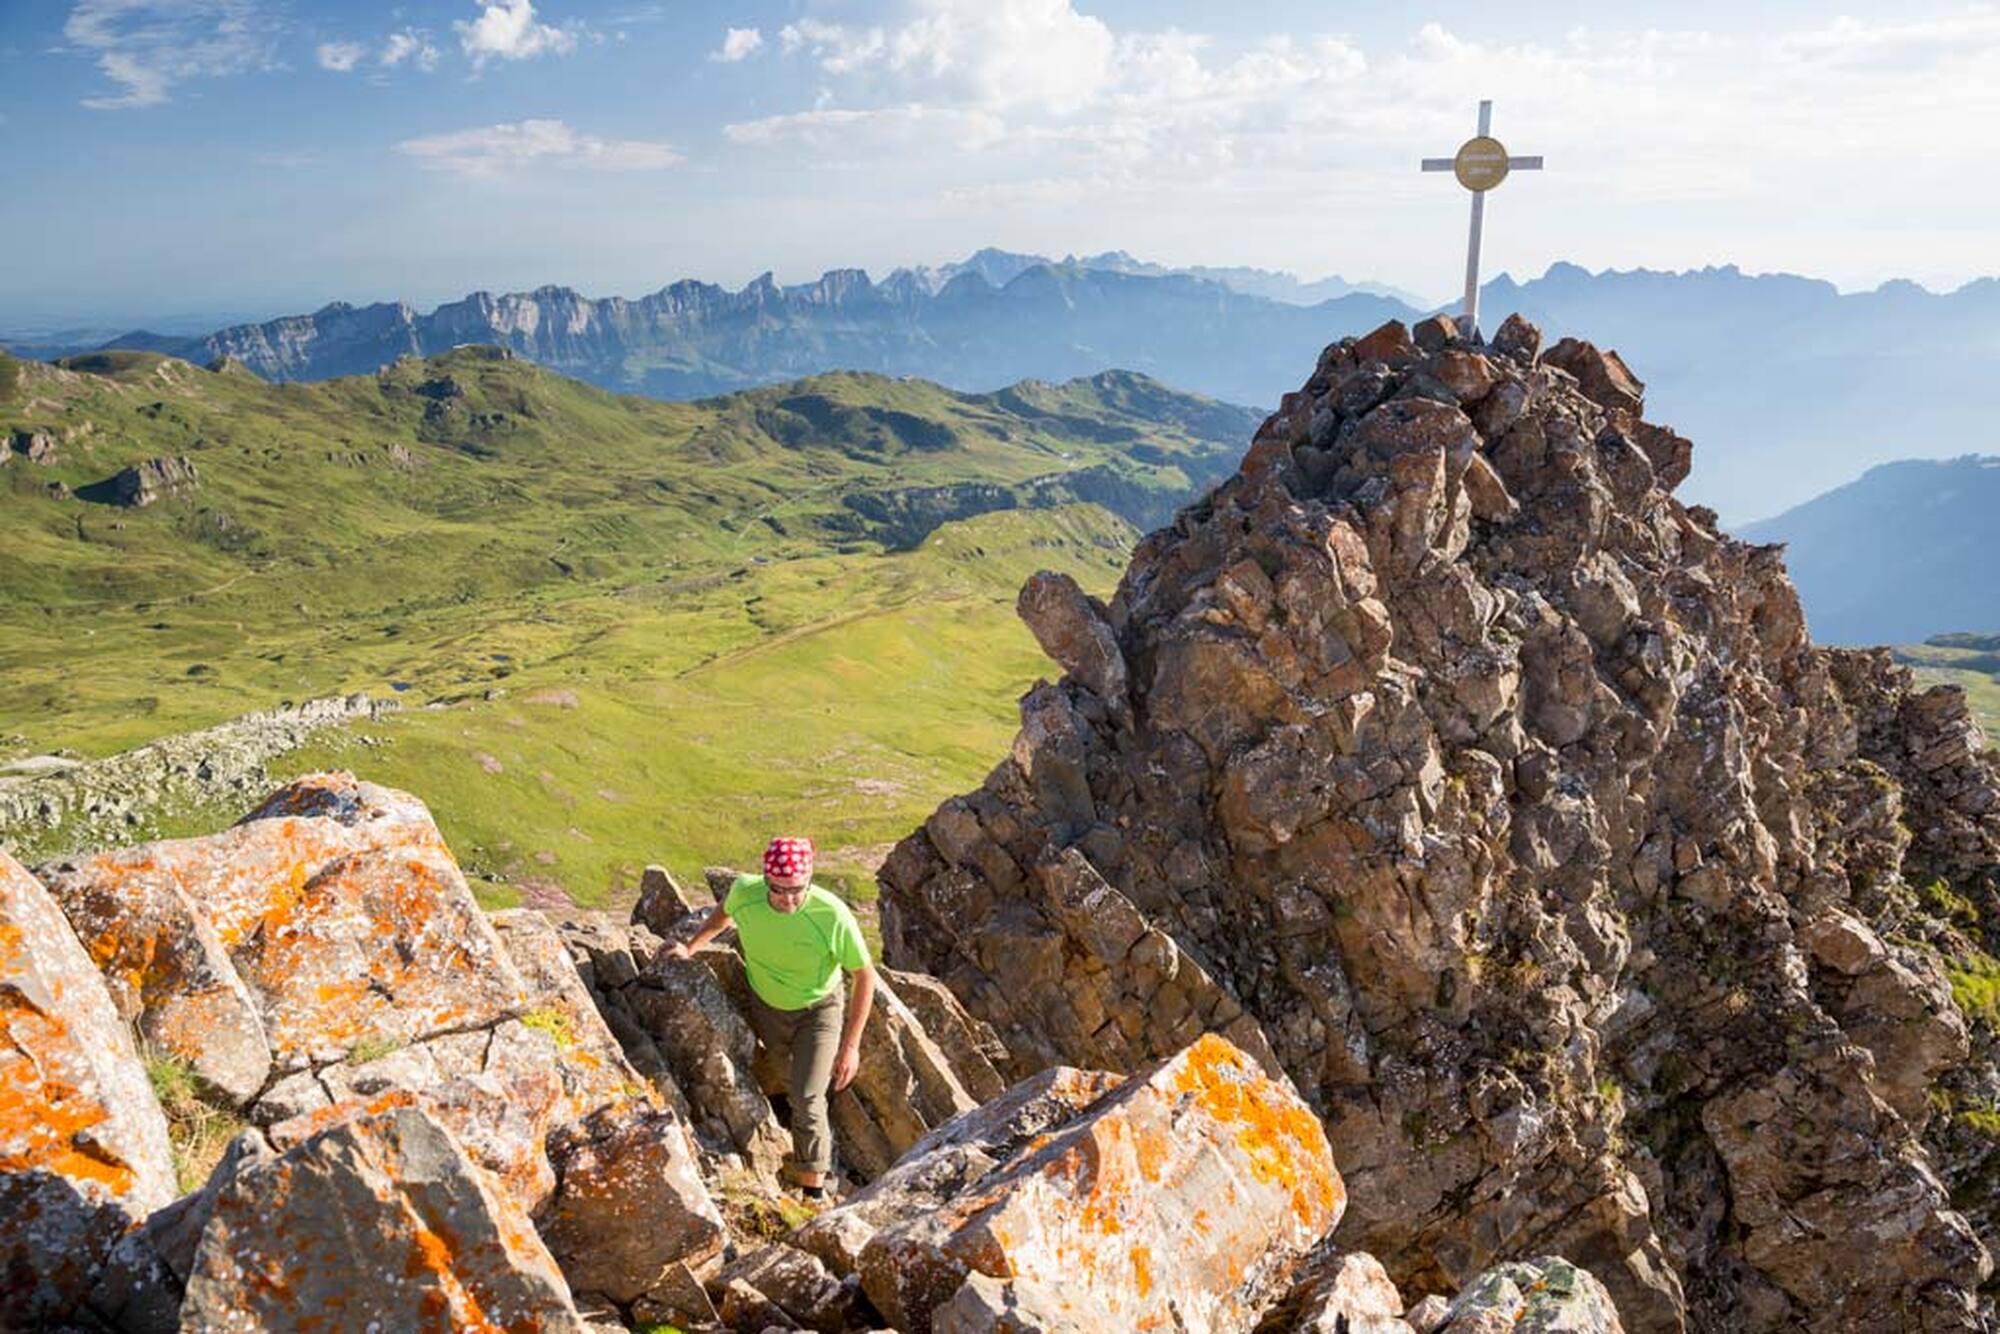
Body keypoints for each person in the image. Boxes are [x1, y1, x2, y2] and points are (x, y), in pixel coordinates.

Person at [664, 835, 875, 1198]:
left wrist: (851, 1046)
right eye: (778, 890)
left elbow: (864, 974)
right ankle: (800, 1146)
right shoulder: (745, 892)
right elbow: (722, 915)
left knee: (808, 1097)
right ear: (765, 880)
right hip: (766, 1006)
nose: (788, 899)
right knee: (789, 1082)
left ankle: (813, 1190)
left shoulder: (831, 914)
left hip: (818, 1010)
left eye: (797, 890)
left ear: (809, 881)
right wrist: (691, 948)